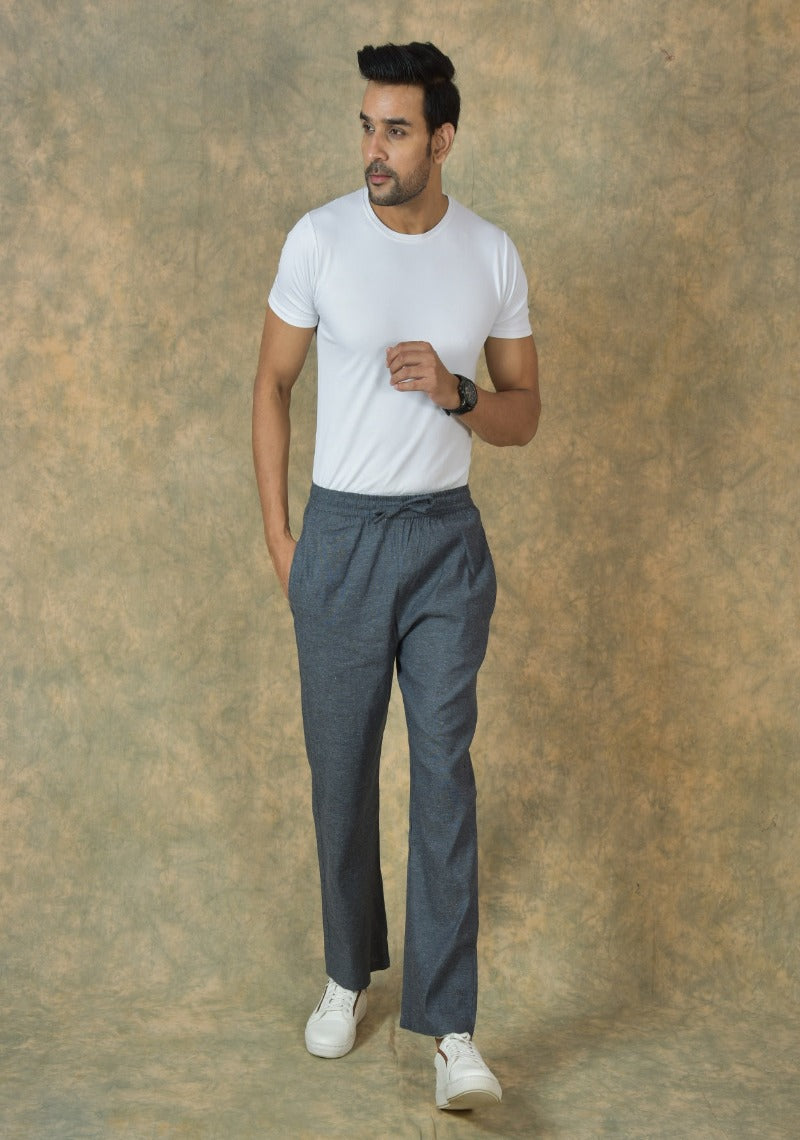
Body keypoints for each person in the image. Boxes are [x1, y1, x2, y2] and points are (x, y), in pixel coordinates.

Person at [252, 40, 540, 1112]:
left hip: (444, 545)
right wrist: (283, 541)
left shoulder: (490, 254)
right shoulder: (319, 239)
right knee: (340, 771)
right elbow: (271, 385)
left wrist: (457, 392)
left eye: (398, 130)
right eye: (368, 127)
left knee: (443, 775)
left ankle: (451, 1029)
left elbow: (523, 415)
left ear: (443, 138)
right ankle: (346, 972)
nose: (375, 148)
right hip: (339, 536)